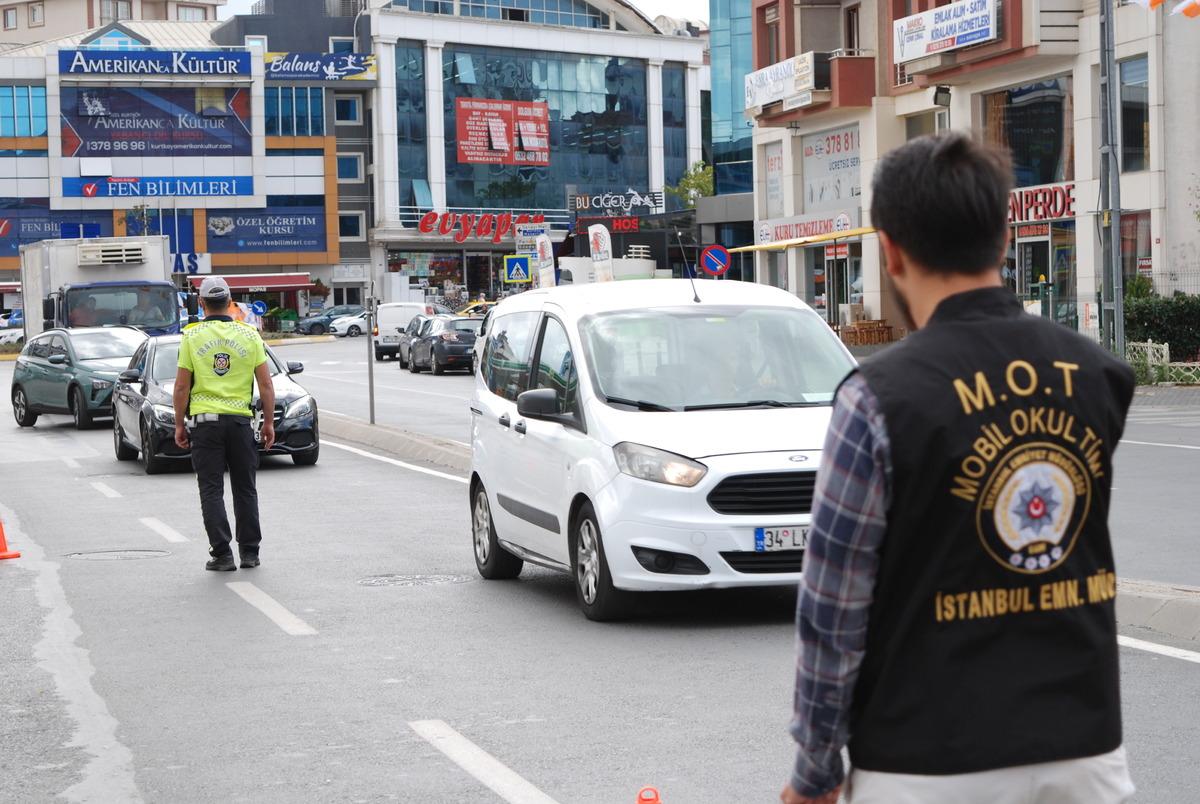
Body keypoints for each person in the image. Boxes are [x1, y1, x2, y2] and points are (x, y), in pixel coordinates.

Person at [782, 133, 1136, 804]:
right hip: (1084, 748)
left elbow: (834, 608)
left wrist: (815, 771)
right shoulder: (1097, 374)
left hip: (925, 760)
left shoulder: (878, 398)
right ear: (1005, 238)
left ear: (889, 249)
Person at [173, 276, 276, 572]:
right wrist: (268, 423)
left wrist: (179, 424)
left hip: (205, 425)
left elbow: (181, 388)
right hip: (241, 423)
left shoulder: (191, 337)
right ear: (231, 302)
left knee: (211, 489)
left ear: (201, 303)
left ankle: (222, 554)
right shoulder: (250, 335)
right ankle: (250, 553)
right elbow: (266, 386)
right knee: (245, 488)